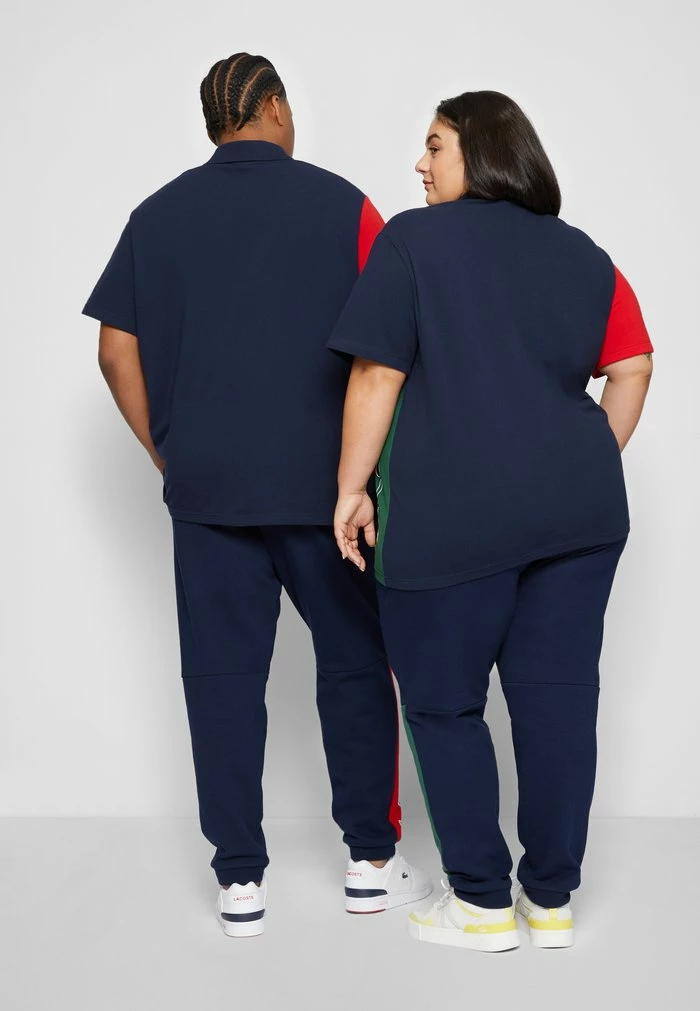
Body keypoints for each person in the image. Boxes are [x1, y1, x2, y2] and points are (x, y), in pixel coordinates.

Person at [82, 52, 430, 937]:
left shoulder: (156, 215)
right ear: (272, 106)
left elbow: (114, 350)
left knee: (221, 680)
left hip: (207, 491)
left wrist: (165, 450)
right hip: (327, 492)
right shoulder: (344, 205)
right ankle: (370, 863)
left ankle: (240, 880)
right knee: (356, 665)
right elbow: (393, 343)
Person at [328, 90, 653, 952]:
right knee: (558, 703)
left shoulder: (412, 242)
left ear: (479, 151)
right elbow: (633, 364)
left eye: (435, 145)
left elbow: (376, 375)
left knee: (443, 706)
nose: (420, 163)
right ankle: (549, 901)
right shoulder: (583, 253)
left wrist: (351, 487)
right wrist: (584, 461)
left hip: (450, 520)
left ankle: (480, 902)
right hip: (579, 518)